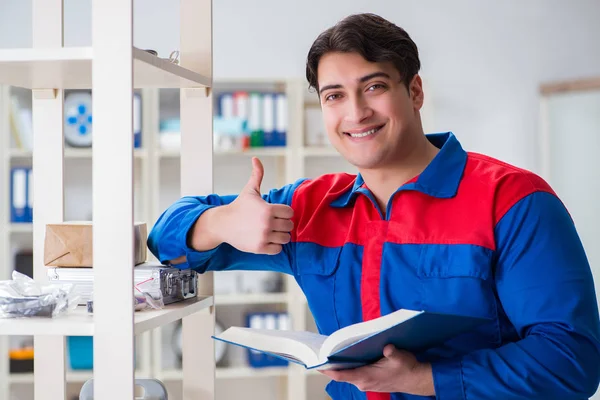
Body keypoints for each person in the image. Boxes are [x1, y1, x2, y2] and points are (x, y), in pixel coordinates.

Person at [148, 13, 600, 400]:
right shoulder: (308, 208)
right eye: (334, 96)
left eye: (374, 86)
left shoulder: (514, 202)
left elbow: (571, 359)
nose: (356, 112)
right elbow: (164, 239)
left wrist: (427, 380)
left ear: (415, 91)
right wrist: (221, 221)